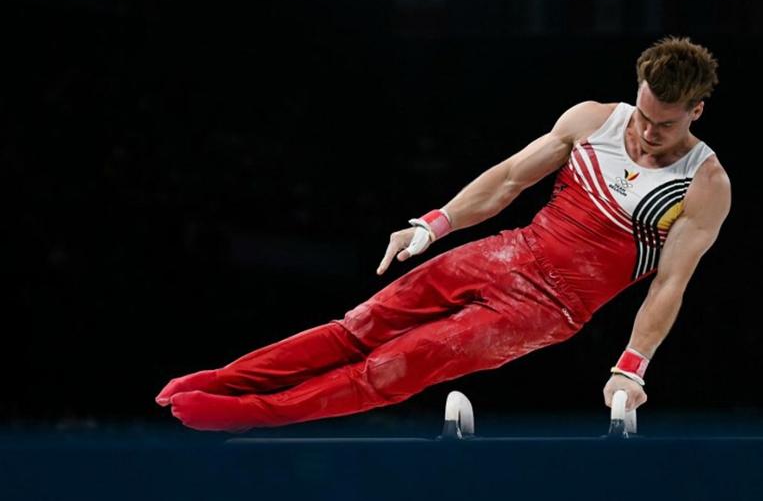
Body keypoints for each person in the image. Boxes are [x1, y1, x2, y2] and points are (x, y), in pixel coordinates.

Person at [155, 36, 731, 432]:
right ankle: (224, 381)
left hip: (545, 310)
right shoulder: (592, 120)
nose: (649, 132)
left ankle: (250, 412)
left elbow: (669, 285)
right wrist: (433, 225)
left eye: (667, 123)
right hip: (504, 253)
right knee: (358, 328)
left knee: (391, 369)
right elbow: (507, 180)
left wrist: (630, 369)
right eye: (645, 114)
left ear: (697, 112)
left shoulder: (703, 184)